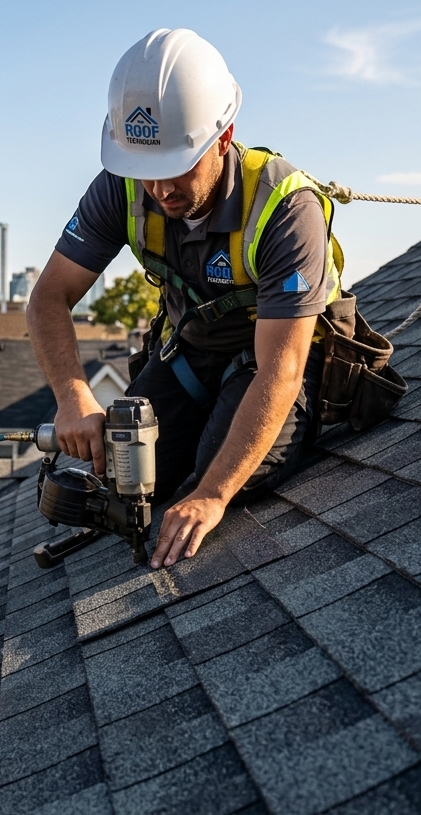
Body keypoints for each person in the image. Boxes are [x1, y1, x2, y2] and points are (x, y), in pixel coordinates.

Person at [27, 28, 342, 570]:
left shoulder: (285, 208)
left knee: (217, 478)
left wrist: (213, 495)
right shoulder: (123, 187)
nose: (160, 191)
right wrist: (74, 397)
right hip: (191, 354)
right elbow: (48, 299)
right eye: (146, 173)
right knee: (129, 474)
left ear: (223, 138)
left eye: (176, 168)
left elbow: (282, 370)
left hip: (271, 363)